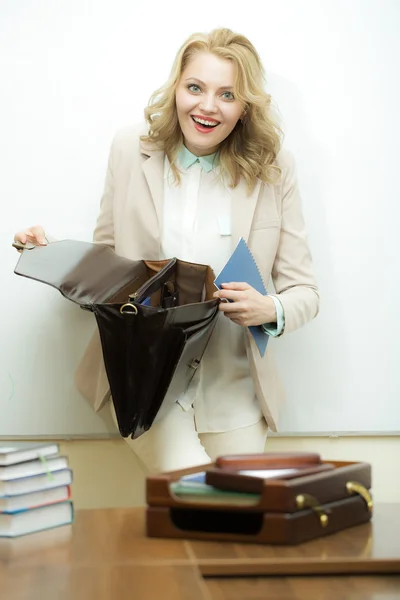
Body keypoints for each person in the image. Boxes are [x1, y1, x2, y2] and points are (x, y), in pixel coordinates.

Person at [14, 28, 319, 473]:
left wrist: (269, 308)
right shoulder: (129, 149)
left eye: (227, 94)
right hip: (147, 379)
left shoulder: (275, 169)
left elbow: (305, 291)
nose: (207, 106)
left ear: (246, 107)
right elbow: (108, 267)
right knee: (202, 496)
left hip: (235, 393)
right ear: (177, 86)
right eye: (195, 87)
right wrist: (51, 253)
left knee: (236, 525)